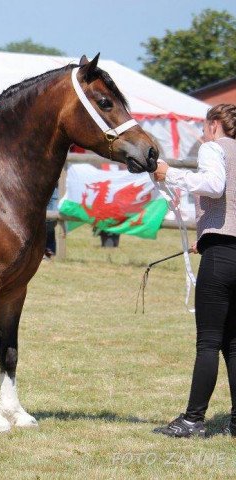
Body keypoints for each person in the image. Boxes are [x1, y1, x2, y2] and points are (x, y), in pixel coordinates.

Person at [153, 103, 236, 438]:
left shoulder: (213, 147)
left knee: (209, 342)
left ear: (214, 124)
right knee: (233, 342)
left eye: (204, 128)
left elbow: (214, 186)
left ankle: (193, 419)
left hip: (222, 258)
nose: (203, 134)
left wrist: (168, 174)